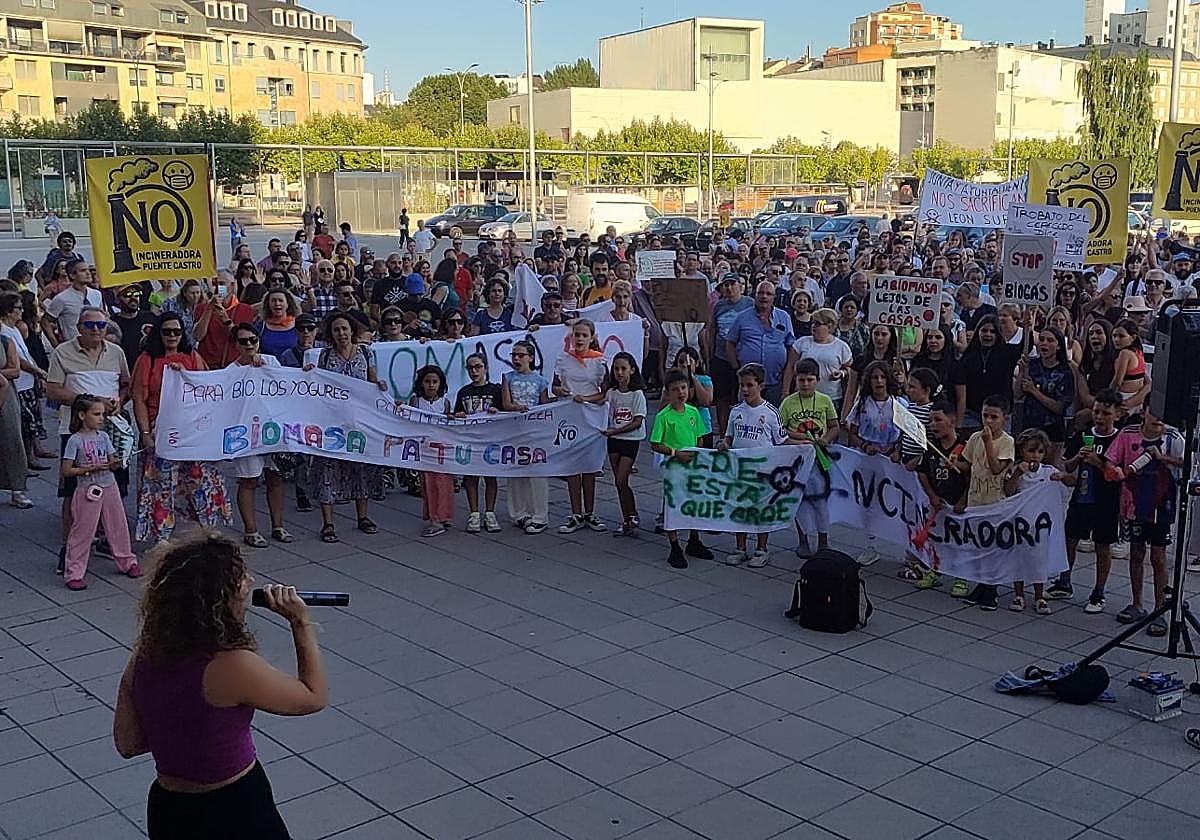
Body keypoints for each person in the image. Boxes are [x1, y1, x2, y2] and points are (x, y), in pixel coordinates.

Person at [113, 535, 327, 839]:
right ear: (216, 597)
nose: (250, 581)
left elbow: (128, 744)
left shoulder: (146, 655)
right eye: (239, 577)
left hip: (169, 809)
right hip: (233, 808)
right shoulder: (231, 664)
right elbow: (313, 697)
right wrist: (300, 623)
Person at [132, 313, 232, 545]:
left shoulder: (192, 356)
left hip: (192, 430)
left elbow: (208, 390)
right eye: (167, 331)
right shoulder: (148, 359)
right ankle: (162, 536)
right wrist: (146, 434)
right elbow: (139, 399)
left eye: (177, 331)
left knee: (200, 480)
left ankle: (206, 530)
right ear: (158, 333)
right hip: (161, 430)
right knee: (162, 484)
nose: (172, 336)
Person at [45, 307, 132, 567]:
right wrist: (87, 403)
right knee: (73, 490)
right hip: (76, 431)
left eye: (101, 325)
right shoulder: (63, 352)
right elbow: (52, 389)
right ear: (79, 327)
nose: (96, 330)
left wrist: (119, 402)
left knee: (114, 487)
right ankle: (69, 547)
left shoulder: (116, 352)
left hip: (112, 430)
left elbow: (125, 384)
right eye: (90, 325)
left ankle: (108, 540)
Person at [1106, 410, 1184, 637]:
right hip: (1134, 504)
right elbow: (1111, 461)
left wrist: (1162, 458)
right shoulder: (1128, 434)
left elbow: (1187, 464)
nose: (1158, 418)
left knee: (1158, 557)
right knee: (1137, 552)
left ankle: (1160, 610)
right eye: (1153, 412)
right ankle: (1137, 604)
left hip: (1162, 505)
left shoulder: (1174, 437)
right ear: (1144, 413)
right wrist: (1115, 470)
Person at [311, 312, 387, 543]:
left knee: (361, 468)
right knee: (328, 469)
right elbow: (318, 384)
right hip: (332, 422)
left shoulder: (365, 352)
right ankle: (328, 522)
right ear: (331, 334)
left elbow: (372, 380)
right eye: (336, 330)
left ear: (352, 330)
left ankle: (362, 516)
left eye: (344, 329)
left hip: (359, 421)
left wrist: (379, 385)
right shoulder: (324, 355)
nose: (341, 334)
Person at [1053, 388, 1125, 611]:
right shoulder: (1084, 434)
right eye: (1096, 412)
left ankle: (1099, 591)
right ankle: (1064, 581)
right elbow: (1069, 465)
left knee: (1102, 545)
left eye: (1105, 413)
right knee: (1070, 539)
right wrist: (1078, 457)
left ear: (1117, 415)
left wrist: (1099, 462)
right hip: (1081, 498)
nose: (1100, 417)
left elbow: (1121, 473)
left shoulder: (1119, 438)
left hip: (1106, 501)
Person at [59, 394, 140, 590]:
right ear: (81, 415)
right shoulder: (75, 441)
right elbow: (66, 470)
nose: (101, 418)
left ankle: (127, 560)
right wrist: (88, 469)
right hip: (87, 488)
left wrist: (117, 462)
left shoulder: (103, 437)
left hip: (108, 485)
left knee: (118, 524)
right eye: (96, 414)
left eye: (102, 414)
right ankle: (74, 571)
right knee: (83, 530)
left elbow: (112, 461)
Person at [227, 324, 292, 547]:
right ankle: (251, 530)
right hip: (247, 434)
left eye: (252, 340)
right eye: (243, 341)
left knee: (275, 477)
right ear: (236, 344)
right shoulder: (231, 371)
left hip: (273, 430)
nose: (249, 345)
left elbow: (287, 388)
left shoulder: (271, 362)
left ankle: (278, 525)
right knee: (249, 480)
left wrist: (266, 370)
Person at [722, 363, 785, 567]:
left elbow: (782, 441)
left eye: (750, 385)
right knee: (740, 507)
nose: (745, 389)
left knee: (761, 509)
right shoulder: (735, 411)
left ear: (761, 385)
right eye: (742, 385)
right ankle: (740, 547)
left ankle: (761, 548)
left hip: (763, 471)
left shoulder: (770, 413)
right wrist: (723, 445)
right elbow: (729, 438)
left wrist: (804, 444)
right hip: (740, 469)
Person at [957, 394, 1016, 611]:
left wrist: (989, 442)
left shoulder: (1007, 442)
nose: (988, 422)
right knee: (978, 546)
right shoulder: (975, 438)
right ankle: (981, 584)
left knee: (992, 547)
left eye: (994, 417)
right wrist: (954, 464)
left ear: (1005, 419)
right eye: (985, 416)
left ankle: (992, 588)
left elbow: (996, 468)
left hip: (995, 503)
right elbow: (969, 465)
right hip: (976, 500)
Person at [650, 368, 711, 569]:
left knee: (693, 502)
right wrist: (676, 453)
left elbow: (700, 436)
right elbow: (655, 443)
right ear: (667, 393)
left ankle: (694, 539)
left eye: (684, 388)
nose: (681, 392)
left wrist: (698, 451)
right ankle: (674, 545)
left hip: (692, 466)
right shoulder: (663, 416)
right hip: (674, 467)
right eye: (675, 389)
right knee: (673, 505)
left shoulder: (693, 412)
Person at [1003, 430, 1068, 615]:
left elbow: (1070, 482)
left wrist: (1062, 477)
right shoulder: (1017, 470)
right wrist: (1017, 474)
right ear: (1022, 450)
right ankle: (1018, 594)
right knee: (1019, 559)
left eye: (1039, 451)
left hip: (1040, 527)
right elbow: (1008, 491)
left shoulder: (1048, 471)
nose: (1035, 456)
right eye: (1031, 451)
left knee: (1039, 560)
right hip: (1020, 524)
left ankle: (1039, 596)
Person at [553, 320, 610, 534]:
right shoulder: (563, 359)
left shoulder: (600, 362)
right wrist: (560, 392)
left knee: (590, 466)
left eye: (583, 335)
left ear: (592, 337)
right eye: (576, 334)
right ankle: (575, 513)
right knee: (572, 467)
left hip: (591, 418)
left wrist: (585, 398)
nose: (579, 339)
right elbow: (555, 386)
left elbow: (604, 393)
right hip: (569, 417)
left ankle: (590, 512)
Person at [780, 358, 840, 558]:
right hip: (796, 460)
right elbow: (780, 432)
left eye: (810, 380)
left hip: (818, 460)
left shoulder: (825, 401)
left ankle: (824, 541)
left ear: (818, 380)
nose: (805, 384)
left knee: (820, 501)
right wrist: (800, 438)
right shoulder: (788, 403)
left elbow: (834, 426)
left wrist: (825, 439)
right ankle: (803, 540)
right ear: (795, 380)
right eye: (801, 380)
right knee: (800, 501)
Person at [914, 399, 969, 590]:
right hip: (937, 505)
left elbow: (972, 476)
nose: (933, 425)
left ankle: (961, 577)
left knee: (959, 542)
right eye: (930, 421)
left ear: (952, 421)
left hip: (958, 506)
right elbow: (922, 472)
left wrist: (963, 500)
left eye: (938, 420)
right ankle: (935, 571)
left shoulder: (965, 447)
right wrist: (932, 496)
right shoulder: (930, 447)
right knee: (936, 540)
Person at [502, 341, 553, 534]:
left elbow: (545, 405)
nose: (516, 358)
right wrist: (516, 407)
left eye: (521, 355)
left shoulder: (540, 381)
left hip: (534, 431)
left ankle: (539, 514)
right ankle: (519, 512)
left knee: (536, 472)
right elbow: (506, 403)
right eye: (514, 355)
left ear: (530, 358)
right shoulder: (507, 378)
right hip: (514, 430)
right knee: (516, 473)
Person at [454, 352, 504, 533]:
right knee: (471, 478)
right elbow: (456, 414)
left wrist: (497, 409)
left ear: (486, 368)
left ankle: (490, 512)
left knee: (491, 477)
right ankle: (474, 513)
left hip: (490, 440)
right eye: (470, 368)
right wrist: (458, 415)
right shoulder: (464, 392)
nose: (474, 371)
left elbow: (506, 413)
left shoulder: (496, 391)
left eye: (478, 367)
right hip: (470, 440)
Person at [0, 291, 49, 471]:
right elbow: (17, 360)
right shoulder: (4, 332)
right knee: (25, 425)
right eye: (17, 308)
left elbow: (25, 353)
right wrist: (37, 371)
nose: (21, 311)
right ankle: (26, 461)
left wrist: (37, 373)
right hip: (19, 384)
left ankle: (32, 455)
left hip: (28, 381)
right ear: (7, 311)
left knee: (33, 422)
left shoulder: (15, 329)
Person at [726, 281, 796, 406]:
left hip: (775, 381)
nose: (764, 296)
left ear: (774, 297)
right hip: (748, 382)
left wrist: (787, 378)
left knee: (773, 418)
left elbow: (791, 346)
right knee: (748, 417)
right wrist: (736, 367)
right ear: (755, 295)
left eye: (768, 294)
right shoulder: (742, 317)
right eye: (761, 293)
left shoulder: (784, 317)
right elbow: (730, 342)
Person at [602, 351, 647, 537]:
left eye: (623, 368)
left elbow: (637, 421)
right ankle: (627, 518)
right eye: (616, 369)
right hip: (613, 441)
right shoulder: (611, 393)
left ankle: (633, 513)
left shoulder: (637, 394)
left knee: (622, 479)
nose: (619, 372)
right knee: (619, 483)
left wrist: (616, 431)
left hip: (629, 440)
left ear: (632, 370)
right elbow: (601, 406)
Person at [410, 365, 455, 537]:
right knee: (428, 485)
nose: (431, 385)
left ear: (440, 384)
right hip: (424, 450)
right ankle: (434, 517)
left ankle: (442, 516)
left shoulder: (444, 402)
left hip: (442, 450)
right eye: (427, 381)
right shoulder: (415, 401)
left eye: (435, 382)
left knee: (444, 484)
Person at [710, 273, 754, 434]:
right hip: (721, 357)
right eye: (725, 285)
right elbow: (712, 330)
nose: (729, 288)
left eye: (732, 284)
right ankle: (723, 433)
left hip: (742, 357)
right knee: (722, 398)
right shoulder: (719, 306)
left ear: (739, 286)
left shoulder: (749, 304)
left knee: (741, 396)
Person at [194, 271, 255, 369]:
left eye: (222, 284)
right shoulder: (201, 308)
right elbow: (198, 336)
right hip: (208, 366)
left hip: (234, 366)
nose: (217, 288)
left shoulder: (245, 309)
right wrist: (209, 309)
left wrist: (225, 318)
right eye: (214, 284)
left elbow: (241, 339)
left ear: (232, 286)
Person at [43, 258, 103, 346]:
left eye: (88, 270)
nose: (88, 273)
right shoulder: (62, 298)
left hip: (96, 343)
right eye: (83, 271)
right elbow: (45, 321)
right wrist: (55, 344)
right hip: (73, 346)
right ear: (72, 275)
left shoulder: (96, 294)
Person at [253, 288, 299, 362]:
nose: (277, 303)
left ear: (288, 304)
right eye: (273, 301)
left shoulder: (298, 324)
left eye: (280, 300)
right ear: (268, 304)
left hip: (294, 370)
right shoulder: (261, 326)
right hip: (268, 370)